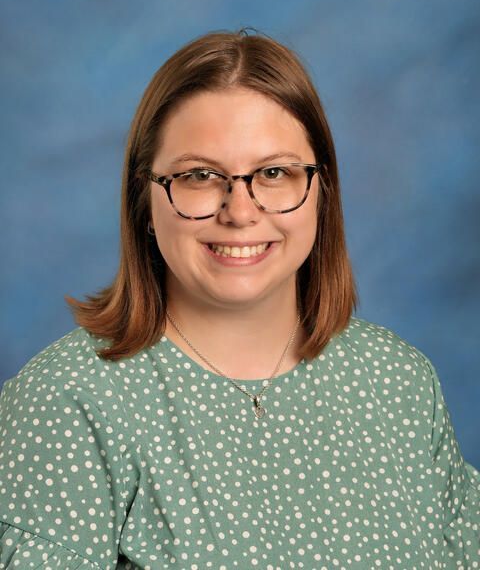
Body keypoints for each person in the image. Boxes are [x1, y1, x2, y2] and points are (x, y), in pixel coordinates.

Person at [0, 28, 478, 570]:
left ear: (321, 190)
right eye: (200, 176)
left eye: (274, 173)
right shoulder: (67, 402)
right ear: (144, 198)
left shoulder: (400, 383)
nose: (241, 211)